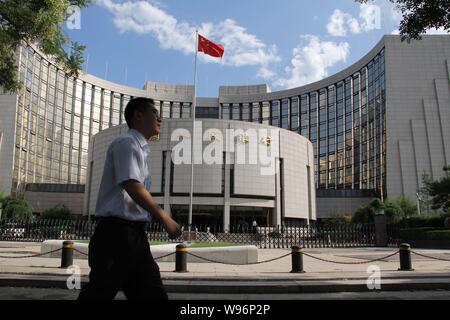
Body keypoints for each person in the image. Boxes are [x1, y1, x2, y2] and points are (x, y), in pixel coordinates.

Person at [78, 97, 181, 300]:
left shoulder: (140, 149)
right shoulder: (126, 143)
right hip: (116, 236)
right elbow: (132, 185)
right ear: (138, 115)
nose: (160, 118)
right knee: (99, 293)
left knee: (153, 294)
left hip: (134, 236)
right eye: (154, 112)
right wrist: (164, 217)